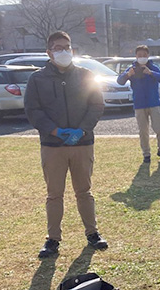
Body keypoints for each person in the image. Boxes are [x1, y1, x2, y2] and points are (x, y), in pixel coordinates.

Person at [24, 31, 109, 258]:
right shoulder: (37, 79)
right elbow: (33, 110)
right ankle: (52, 239)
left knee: (84, 191)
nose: (63, 51)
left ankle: (92, 233)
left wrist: (82, 129)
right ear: (49, 52)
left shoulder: (85, 75)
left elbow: (96, 105)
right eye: (58, 48)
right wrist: (55, 131)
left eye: (67, 47)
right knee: (54, 194)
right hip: (53, 145)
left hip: (82, 143)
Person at [116, 45, 160, 163]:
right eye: (139, 55)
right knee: (143, 131)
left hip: (154, 102)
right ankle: (146, 154)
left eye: (144, 55)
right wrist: (127, 75)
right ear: (136, 56)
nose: (142, 57)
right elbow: (120, 81)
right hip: (139, 104)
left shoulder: (153, 67)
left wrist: (151, 73)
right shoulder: (132, 69)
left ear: (148, 56)